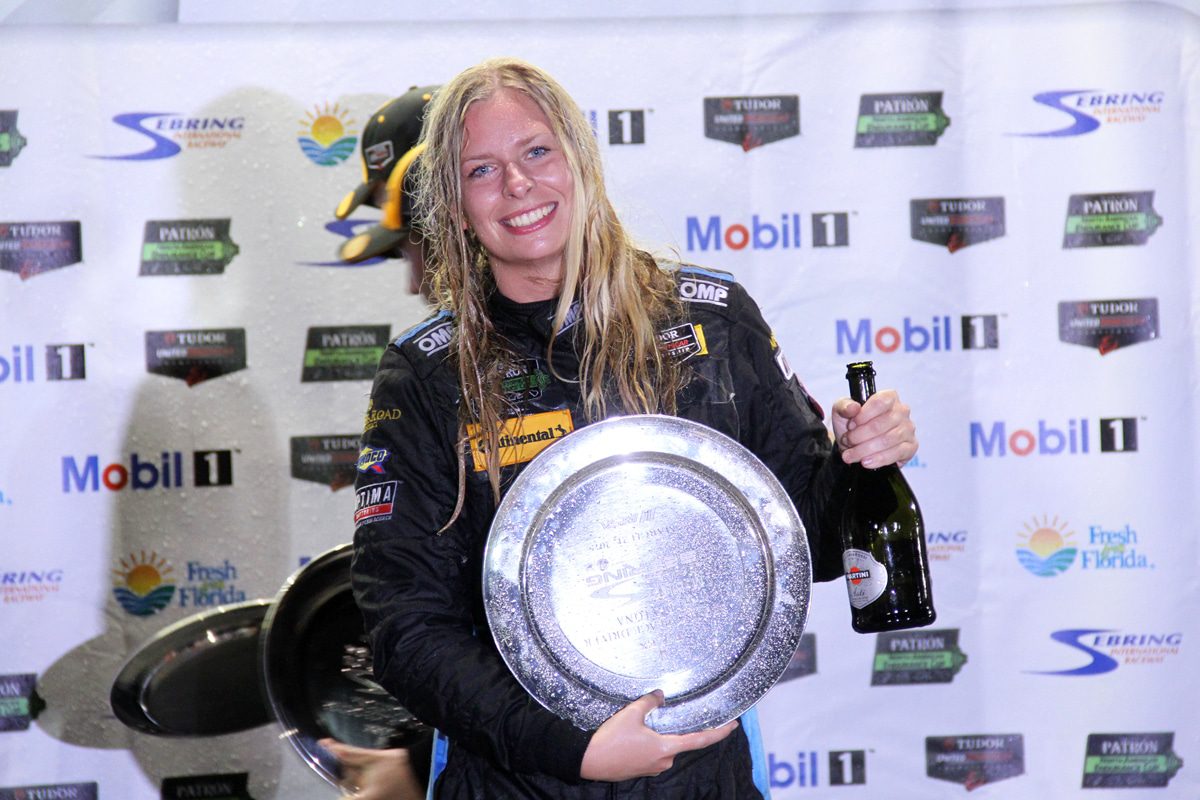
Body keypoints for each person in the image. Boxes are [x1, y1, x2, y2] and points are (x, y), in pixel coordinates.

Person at [351, 57, 918, 799]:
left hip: (701, 780)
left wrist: (861, 461)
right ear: (453, 207)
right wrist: (571, 748)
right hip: (516, 781)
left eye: (536, 152)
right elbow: (405, 625)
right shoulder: (427, 375)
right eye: (481, 170)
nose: (518, 184)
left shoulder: (710, 323)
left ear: (581, 162)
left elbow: (806, 546)